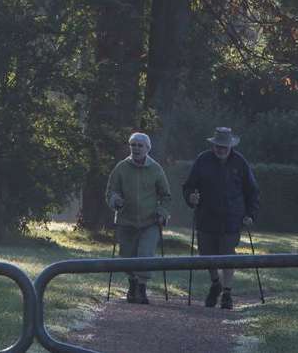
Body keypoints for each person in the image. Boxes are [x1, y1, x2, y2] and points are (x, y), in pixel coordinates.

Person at [183, 126, 260, 310]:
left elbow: (252, 191)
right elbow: (189, 186)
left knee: (227, 256)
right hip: (205, 217)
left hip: (232, 219)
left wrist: (250, 214)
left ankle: (227, 293)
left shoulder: (240, 163)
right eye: (218, 146)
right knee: (206, 256)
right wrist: (190, 197)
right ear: (213, 145)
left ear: (231, 146)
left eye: (224, 147)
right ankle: (215, 283)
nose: (221, 150)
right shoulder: (202, 160)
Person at [105, 132, 172, 304]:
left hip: (150, 221)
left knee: (145, 254)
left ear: (148, 149)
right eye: (133, 145)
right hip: (126, 221)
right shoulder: (121, 167)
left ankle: (141, 288)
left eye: (139, 145)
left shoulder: (156, 169)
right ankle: (132, 284)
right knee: (127, 255)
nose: (136, 148)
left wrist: (162, 212)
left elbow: (166, 196)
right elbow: (111, 191)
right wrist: (115, 200)